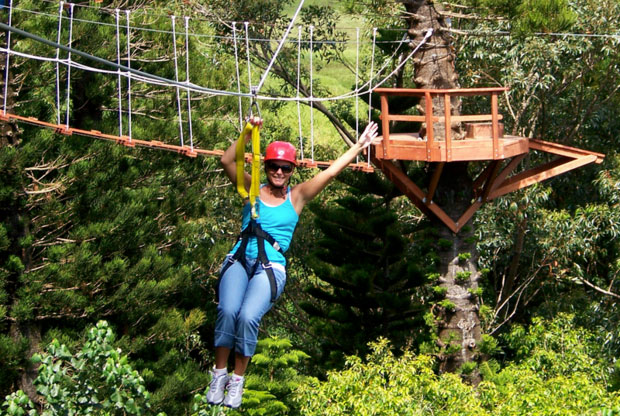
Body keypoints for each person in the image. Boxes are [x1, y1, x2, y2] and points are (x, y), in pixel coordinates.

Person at [207, 117, 379, 408]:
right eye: (273, 166)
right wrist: (248, 132)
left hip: (270, 266)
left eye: (284, 168)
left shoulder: (297, 196)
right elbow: (227, 161)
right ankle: (219, 374)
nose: (278, 172)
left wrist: (358, 148)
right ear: (266, 167)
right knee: (227, 310)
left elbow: (330, 174)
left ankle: (237, 381)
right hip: (239, 257)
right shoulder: (251, 189)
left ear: (291, 171)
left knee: (248, 317)